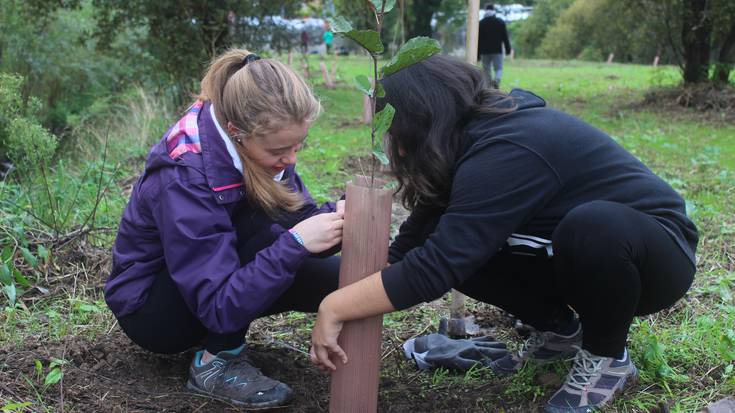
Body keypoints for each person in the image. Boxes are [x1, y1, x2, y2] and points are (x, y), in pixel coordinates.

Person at [309, 55, 698, 413]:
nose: (396, 148)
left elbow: (434, 270)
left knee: (593, 228)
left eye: (393, 131)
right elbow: (418, 243)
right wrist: (358, 279)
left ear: (417, 121)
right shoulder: (466, 144)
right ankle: (562, 334)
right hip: (572, 256)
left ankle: (607, 357)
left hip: (654, 258)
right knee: (467, 252)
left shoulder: (508, 149)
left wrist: (336, 306)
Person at [104, 49, 345, 408]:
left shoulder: (256, 140)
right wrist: (295, 244)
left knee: (337, 278)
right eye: (281, 149)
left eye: (299, 145)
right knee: (266, 229)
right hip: (156, 311)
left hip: (214, 273)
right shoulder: (185, 173)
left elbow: (294, 216)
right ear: (237, 132)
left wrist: (337, 217)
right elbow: (219, 303)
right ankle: (216, 362)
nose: (292, 159)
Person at [478, 4, 511, 88]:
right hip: (497, 51)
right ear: (494, 11)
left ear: (485, 11)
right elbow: (505, 37)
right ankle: (496, 80)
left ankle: (489, 86)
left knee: (486, 70)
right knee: (499, 68)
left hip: (484, 51)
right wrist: (508, 49)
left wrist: (477, 54)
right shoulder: (500, 22)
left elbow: (478, 40)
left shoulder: (481, 23)